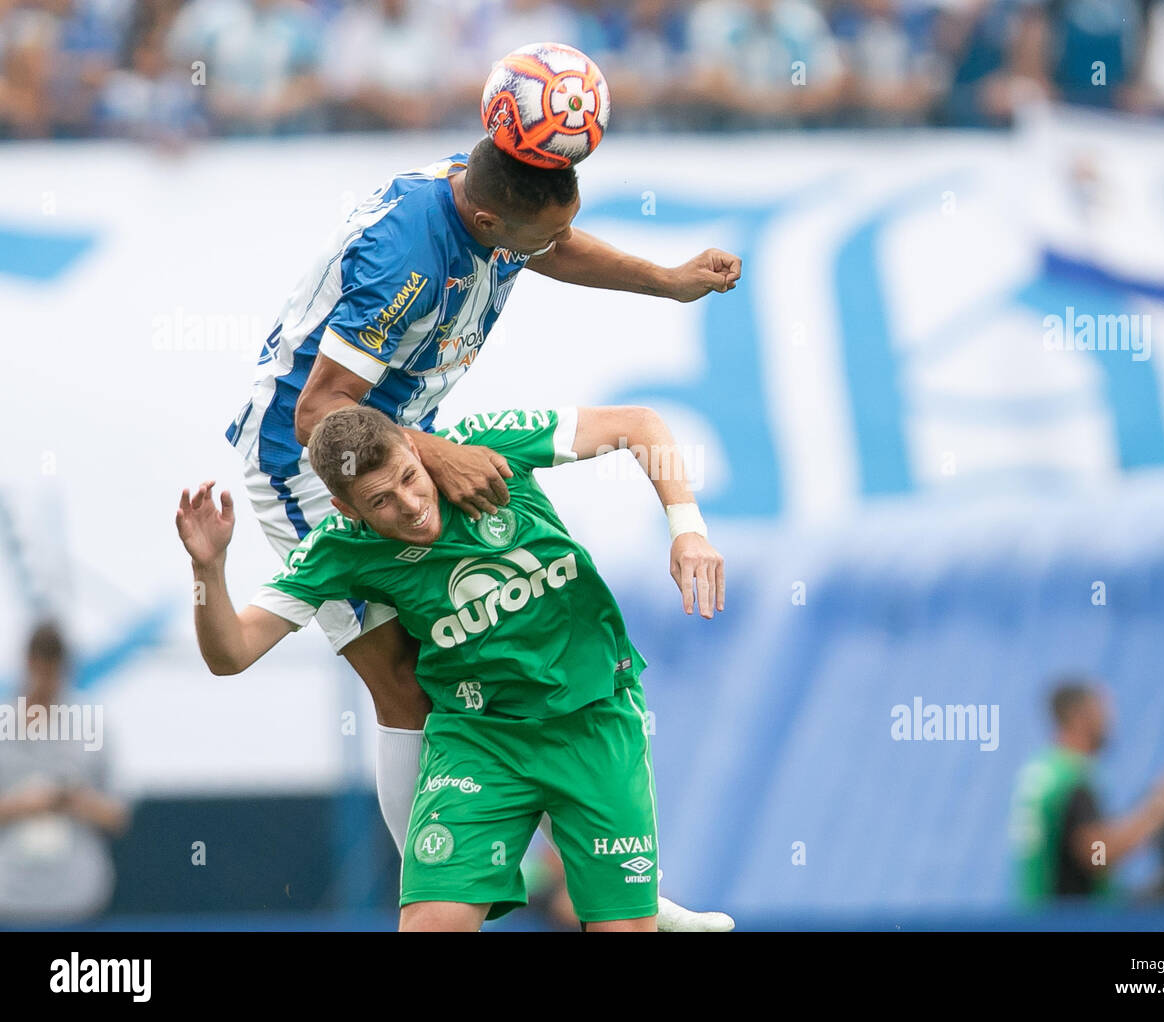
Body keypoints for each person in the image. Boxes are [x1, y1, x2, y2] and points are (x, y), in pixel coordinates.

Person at [223, 132, 740, 931]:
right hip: (312, 465)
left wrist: (664, 284)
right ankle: (439, 879)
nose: (550, 252)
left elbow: (549, 248)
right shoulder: (407, 261)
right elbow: (320, 411)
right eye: (539, 240)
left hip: (403, 439)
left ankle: (593, 868)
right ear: (492, 218)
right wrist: (437, 453)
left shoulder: (490, 208)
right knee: (402, 677)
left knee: (480, 646)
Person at [179, 403, 724, 931]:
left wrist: (688, 528)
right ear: (348, 510)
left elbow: (639, 425)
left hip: (594, 719)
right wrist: (209, 568)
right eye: (381, 500)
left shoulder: (486, 444)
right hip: (478, 741)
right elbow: (232, 654)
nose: (411, 504)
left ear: (416, 450)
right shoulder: (338, 549)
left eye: (410, 478)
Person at [1010, 678, 1164, 904]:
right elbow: (1099, 856)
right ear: (1079, 717)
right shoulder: (1071, 779)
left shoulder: (1043, 770)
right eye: (1101, 711)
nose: (1110, 720)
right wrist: (1163, 804)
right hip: (1069, 920)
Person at [0, 622, 130, 923]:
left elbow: (118, 815)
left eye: (54, 668)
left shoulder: (92, 726)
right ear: (28, 663)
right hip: (9, 891)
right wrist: (25, 804)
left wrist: (71, 799)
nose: (47, 680)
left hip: (78, 895)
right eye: (40, 666)